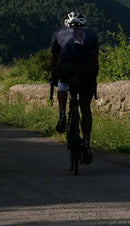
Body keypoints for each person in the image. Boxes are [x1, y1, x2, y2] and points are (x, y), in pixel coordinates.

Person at [50, 11, 100, 164]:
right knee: (85, 107)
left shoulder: (59, 33)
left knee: (62, 82)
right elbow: (96, 59)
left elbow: (54, 59)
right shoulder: (91, 34)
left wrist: (54, 77)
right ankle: (87, 144)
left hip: (67, 67)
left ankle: (62, 114)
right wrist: (93, 81)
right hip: (87, 69)